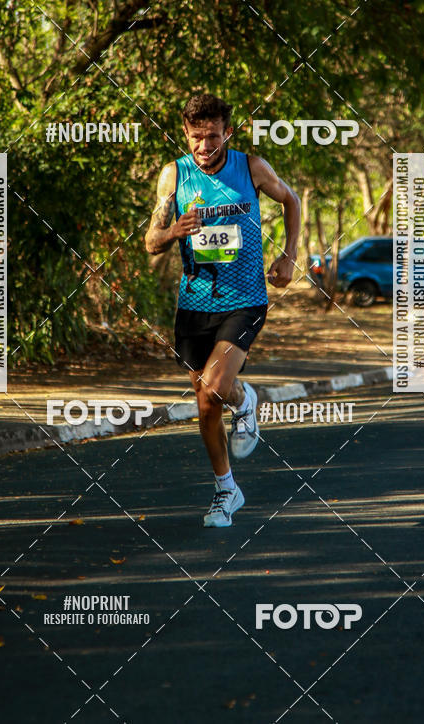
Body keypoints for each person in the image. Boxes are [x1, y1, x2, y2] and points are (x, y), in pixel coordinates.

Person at [145, 93, 300, 527]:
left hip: (245, 298)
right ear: (186, 134)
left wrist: (289, 255)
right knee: (207, 400)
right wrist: (174, 229)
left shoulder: (251, 168)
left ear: (227, 132)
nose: (205, 145)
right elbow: (151, 243)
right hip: (194, 304)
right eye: (197, 137)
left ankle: (240, 401)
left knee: (213, 387)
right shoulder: (173, 176)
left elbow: (291, 200)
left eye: (213, 136)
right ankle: (227, 489)